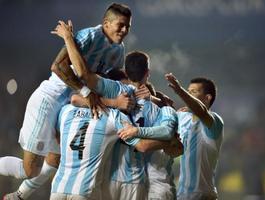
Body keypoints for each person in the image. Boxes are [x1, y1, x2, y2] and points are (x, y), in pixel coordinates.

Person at [1, 3, 132, 200]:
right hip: (49, 100)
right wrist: (86, 91)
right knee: (29, 170)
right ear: (106, 23)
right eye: (120, 25)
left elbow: (111, 79)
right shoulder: (88, 36)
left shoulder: (119, 51)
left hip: (69, 105)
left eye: (128, 26)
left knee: (55, 159)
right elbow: (57, 67)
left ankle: (17, 196)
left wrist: (143, 89)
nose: (124, 30)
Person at [50, 102, 178, 200]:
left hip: (57, 188)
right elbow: (142, 146)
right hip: (86, 191)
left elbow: (57, 134)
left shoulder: (66, 110)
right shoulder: (112, 115)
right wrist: (170, 141)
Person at [165, 73, 224, 200]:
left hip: (203, 195)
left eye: (194, 92)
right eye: (188, 91)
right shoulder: (183, 116)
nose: (189, 95)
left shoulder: (214, 121)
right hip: (182, 195)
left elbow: (201, 111)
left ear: (207, 98)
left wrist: (180, 91)